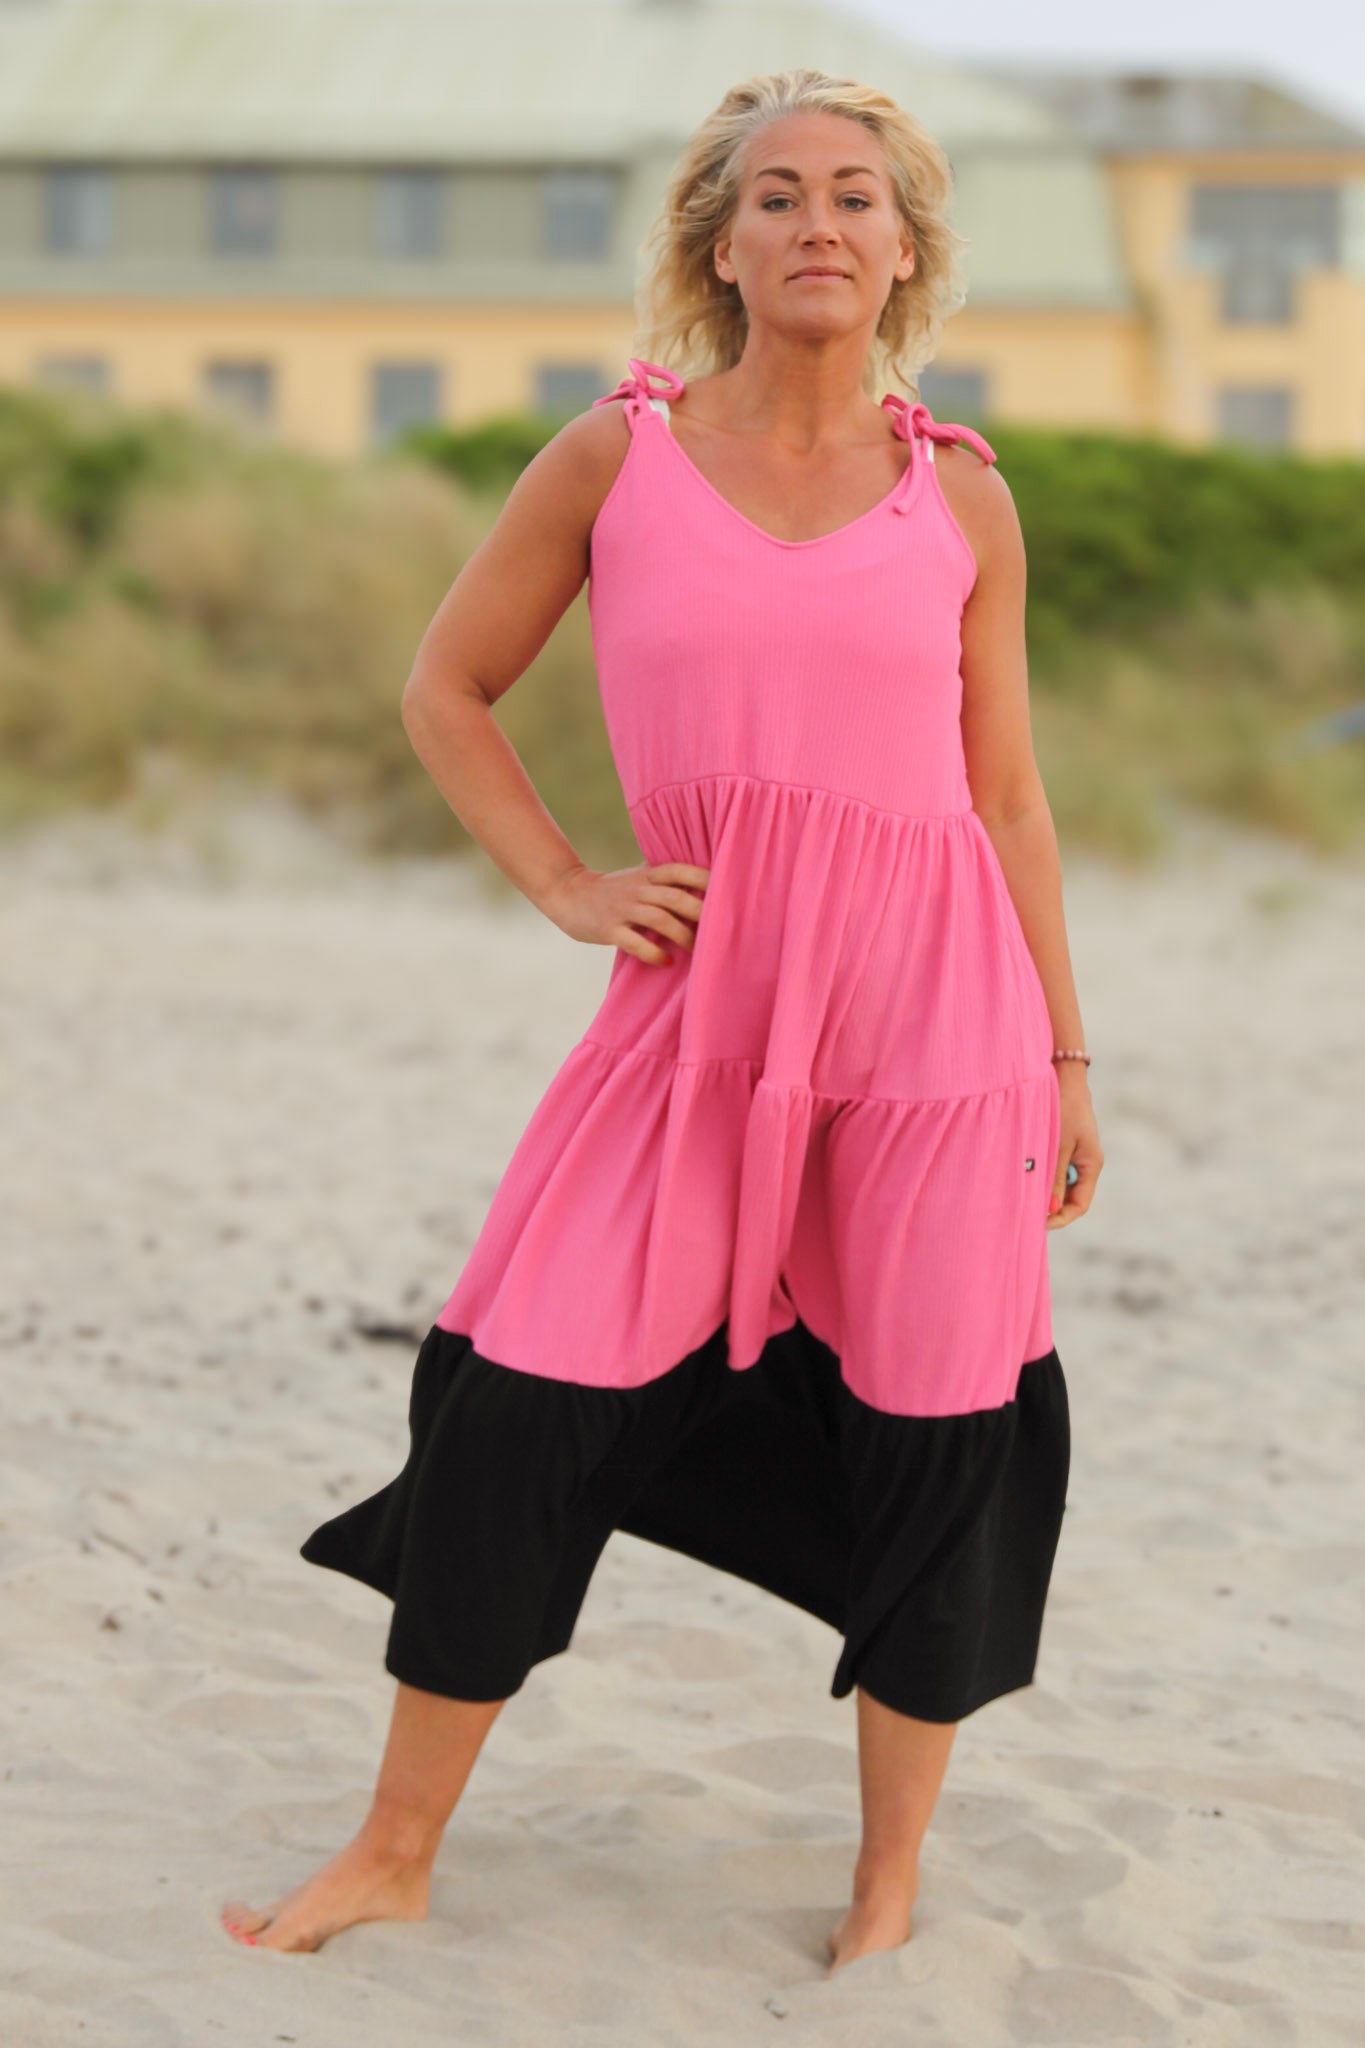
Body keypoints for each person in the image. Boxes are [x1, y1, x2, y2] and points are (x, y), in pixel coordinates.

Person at [222, 67, 1102, 1975]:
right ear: (720, 244)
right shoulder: (614, 457)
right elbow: (447, 688)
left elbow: (1009, 798)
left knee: (938, 1427)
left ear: (904, 248)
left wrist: (1063, 1055)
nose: (816, 223)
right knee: (521, 1404)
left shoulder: (961, 493)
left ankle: (884, 1891)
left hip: (938, 1030)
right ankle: (391, 1847)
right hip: (694, 1015)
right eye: (775, 195)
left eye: (854, 195)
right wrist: (565, 883)